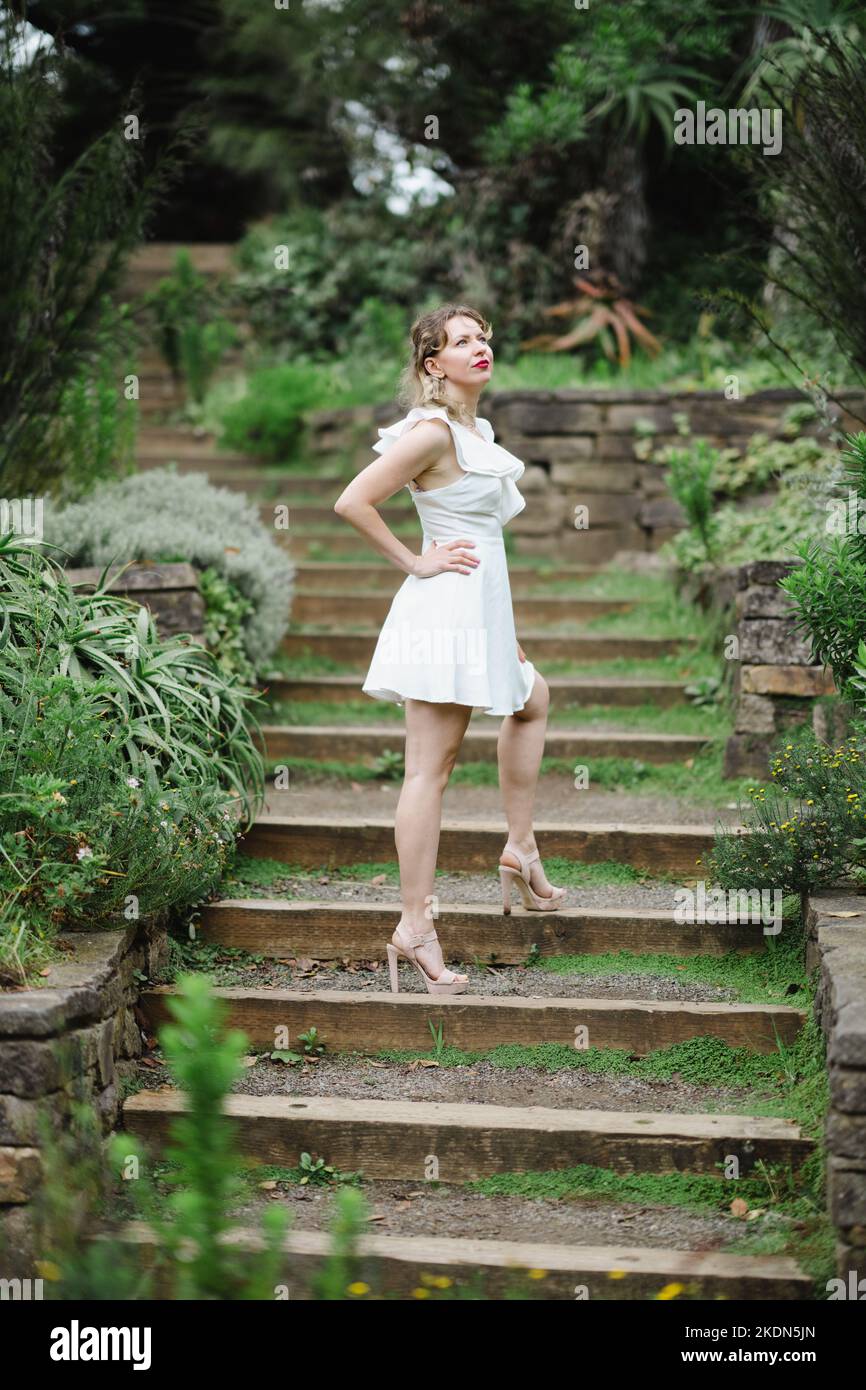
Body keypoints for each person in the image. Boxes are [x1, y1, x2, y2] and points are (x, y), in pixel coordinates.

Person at [333, 303, 566, 996]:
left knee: (533, 699)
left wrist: (505, 633)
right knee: (428, 773)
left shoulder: (476, 430)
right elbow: (353, 501)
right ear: (434, 365)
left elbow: (489, 548)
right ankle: (414, 926)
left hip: (481, 613)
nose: (480, 347)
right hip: (442, 615)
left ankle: (520, 850)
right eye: (462, 341)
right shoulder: (431, 433)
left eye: (483, 337)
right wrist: (414, 561)